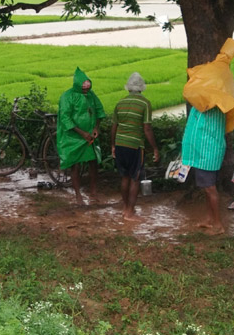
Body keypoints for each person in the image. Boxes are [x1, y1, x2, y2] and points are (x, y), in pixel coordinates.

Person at [179, 39, 234, 233]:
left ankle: (218, 224)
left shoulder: (215, 102)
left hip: (207, 149)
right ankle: (209, 218)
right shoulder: (220, 82)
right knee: (206, 187)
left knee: (210, 188)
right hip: (204, 148)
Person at [109, 71, 159, 220]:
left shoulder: (120, 103)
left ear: (128, 88)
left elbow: (114, 127)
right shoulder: (145, 103)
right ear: (142, 88)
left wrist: (113, 145)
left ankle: (125, 207)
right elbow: (147, 128)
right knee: (135, 178)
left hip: (120, 144)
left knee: (124, 177)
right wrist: (155, 148)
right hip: (135, 145)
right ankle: (130, 211)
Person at [57, 67, 106, 204]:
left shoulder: (91, 95)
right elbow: (65, 118)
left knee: (93, 163)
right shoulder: (67, 96)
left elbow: (99, 110)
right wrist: (82, 133)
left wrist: (96, 127)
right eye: (83, 89)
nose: (86, 91)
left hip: (89, 135)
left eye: (87, 89)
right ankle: (78, 195)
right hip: (74, 136)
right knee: (75, 165)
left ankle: (93, 191)